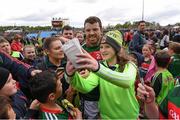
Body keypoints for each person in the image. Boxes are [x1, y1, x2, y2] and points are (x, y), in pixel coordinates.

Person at [65, 30, 139, 119]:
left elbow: (127, 81)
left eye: (107, 46)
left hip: (129, 116)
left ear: (116, 48)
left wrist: (98, 68)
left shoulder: (129, 65)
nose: (103, 50)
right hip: (106, 117)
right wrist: (71, 76)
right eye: (101, 47)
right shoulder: (100, 67)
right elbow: (85, 87)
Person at [79, 16, 103, 119]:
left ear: (101, 30)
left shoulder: (109, 47)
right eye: (88, 30)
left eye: (95, 29)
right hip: (90, 98)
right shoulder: (80, 50)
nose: (92, 33)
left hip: (110, 96)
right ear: (84, 31)